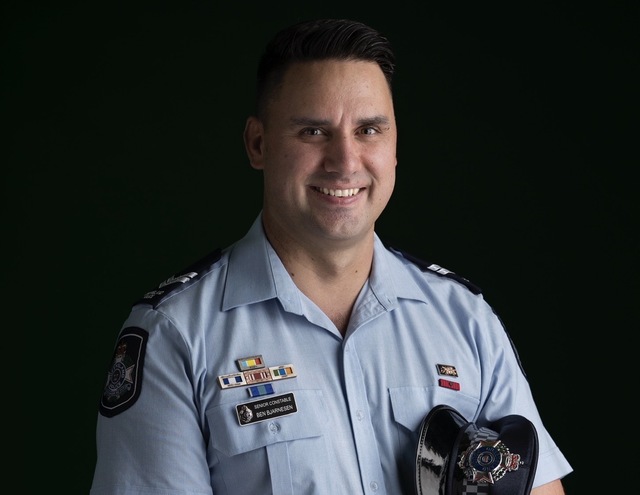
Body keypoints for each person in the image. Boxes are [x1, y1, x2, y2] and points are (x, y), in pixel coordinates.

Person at [90, 18, 573, 495]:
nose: (345, 162)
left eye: (369, 130)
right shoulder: (176, 334)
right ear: (258, 144)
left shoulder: (464, 319)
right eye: (313, 132)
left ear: (395, 145)